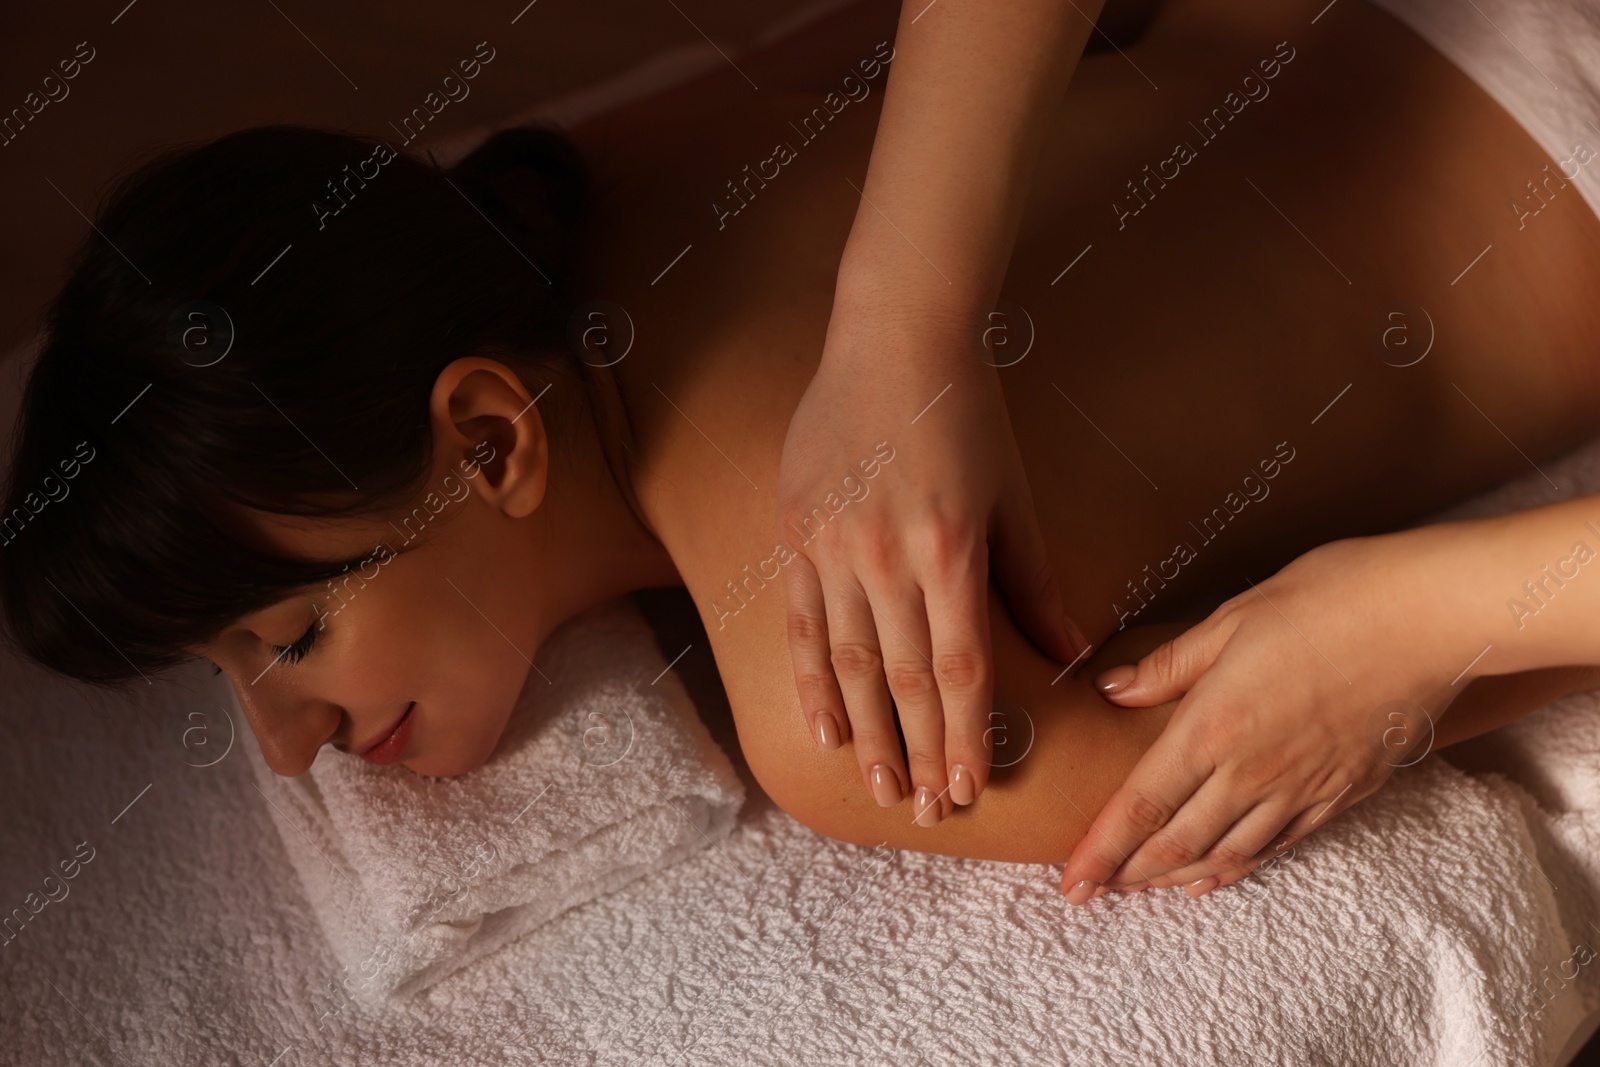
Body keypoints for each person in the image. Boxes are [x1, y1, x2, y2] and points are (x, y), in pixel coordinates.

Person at [6, 0, 1600, 902]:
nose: (283, 741)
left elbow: (1285, 736)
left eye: (288, 637)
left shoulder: (832, 694)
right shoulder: (620, 163)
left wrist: (1405, 621)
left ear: (487, 439)